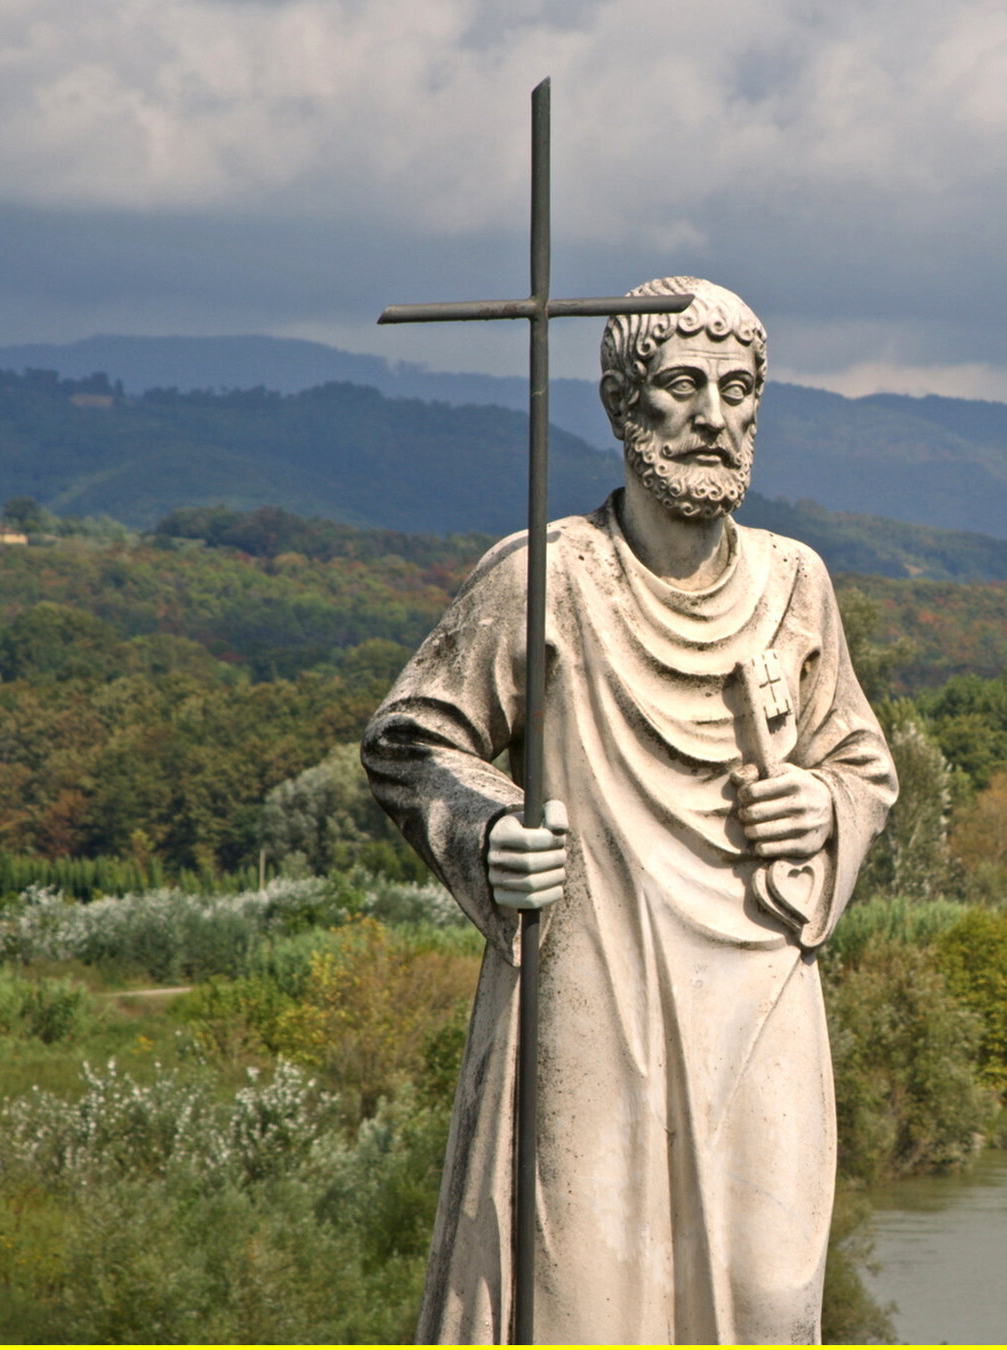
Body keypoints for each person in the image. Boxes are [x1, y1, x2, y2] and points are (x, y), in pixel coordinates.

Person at [361, 276, 896, 1343]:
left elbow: (862, 764)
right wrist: (491, 833)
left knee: (773, 1301)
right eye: (682, 385)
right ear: (623, 404)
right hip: (599, 979)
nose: (713, 415)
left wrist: (822, 807)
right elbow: (411, 743)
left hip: (759, 984)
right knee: (590, 1296)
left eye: (738, 389)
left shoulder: (798, 584)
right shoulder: (549, 577)